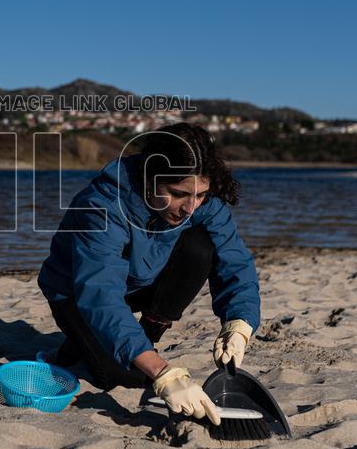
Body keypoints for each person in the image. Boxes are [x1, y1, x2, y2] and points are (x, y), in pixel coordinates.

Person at [37, 123, 260, 425]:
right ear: (150, 178)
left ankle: (143, 337)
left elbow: (235, 261)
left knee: (200, 247)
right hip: (77, 294)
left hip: (140, 282)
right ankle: (88, 342)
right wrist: (160, 371)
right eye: (178, 194)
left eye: (200, 195)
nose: (190, 208)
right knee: (119, 377)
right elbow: (100, 293)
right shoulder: (102, 206)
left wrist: (239, 323)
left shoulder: (199, 201)